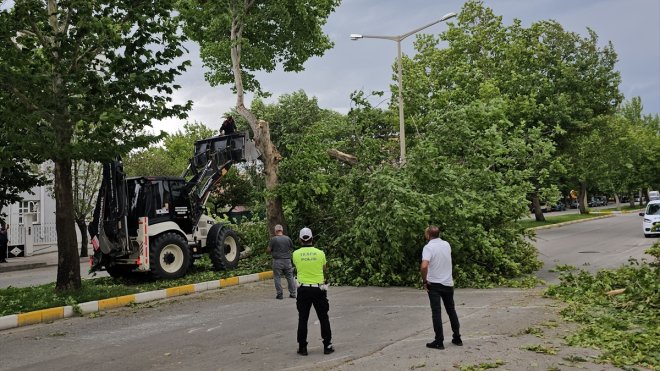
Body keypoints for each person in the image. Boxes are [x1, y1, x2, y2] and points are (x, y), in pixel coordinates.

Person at [292, 227, 334, 356]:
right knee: (323, 317)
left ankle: (302, 347)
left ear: (300, 239)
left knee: (303, 319)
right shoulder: (320, 253)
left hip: (303, 289)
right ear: (312, 238)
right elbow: (324, 268)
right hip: (318, 289)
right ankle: (327, 345)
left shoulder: (295, 254)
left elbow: (297, 267)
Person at [420, 225, 462, 350]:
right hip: (448, 282)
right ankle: (457, 337)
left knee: (436, 312)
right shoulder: (446, 244)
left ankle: (439, 340)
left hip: (434, 284)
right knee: (451, 310)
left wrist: (424, 281)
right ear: (439, 234)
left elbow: (424, 266)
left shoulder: (428, 248)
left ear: (428, 235)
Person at [267, 224, 297, 300]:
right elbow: (291, 248)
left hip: (277, 261)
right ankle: (293, 293)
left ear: (275, 231)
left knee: (277, 277)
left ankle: (280, 294)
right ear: (282, 230)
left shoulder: (273, 239)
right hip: (287, 260)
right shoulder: (288, 238)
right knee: (290, 277)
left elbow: (268, 250)